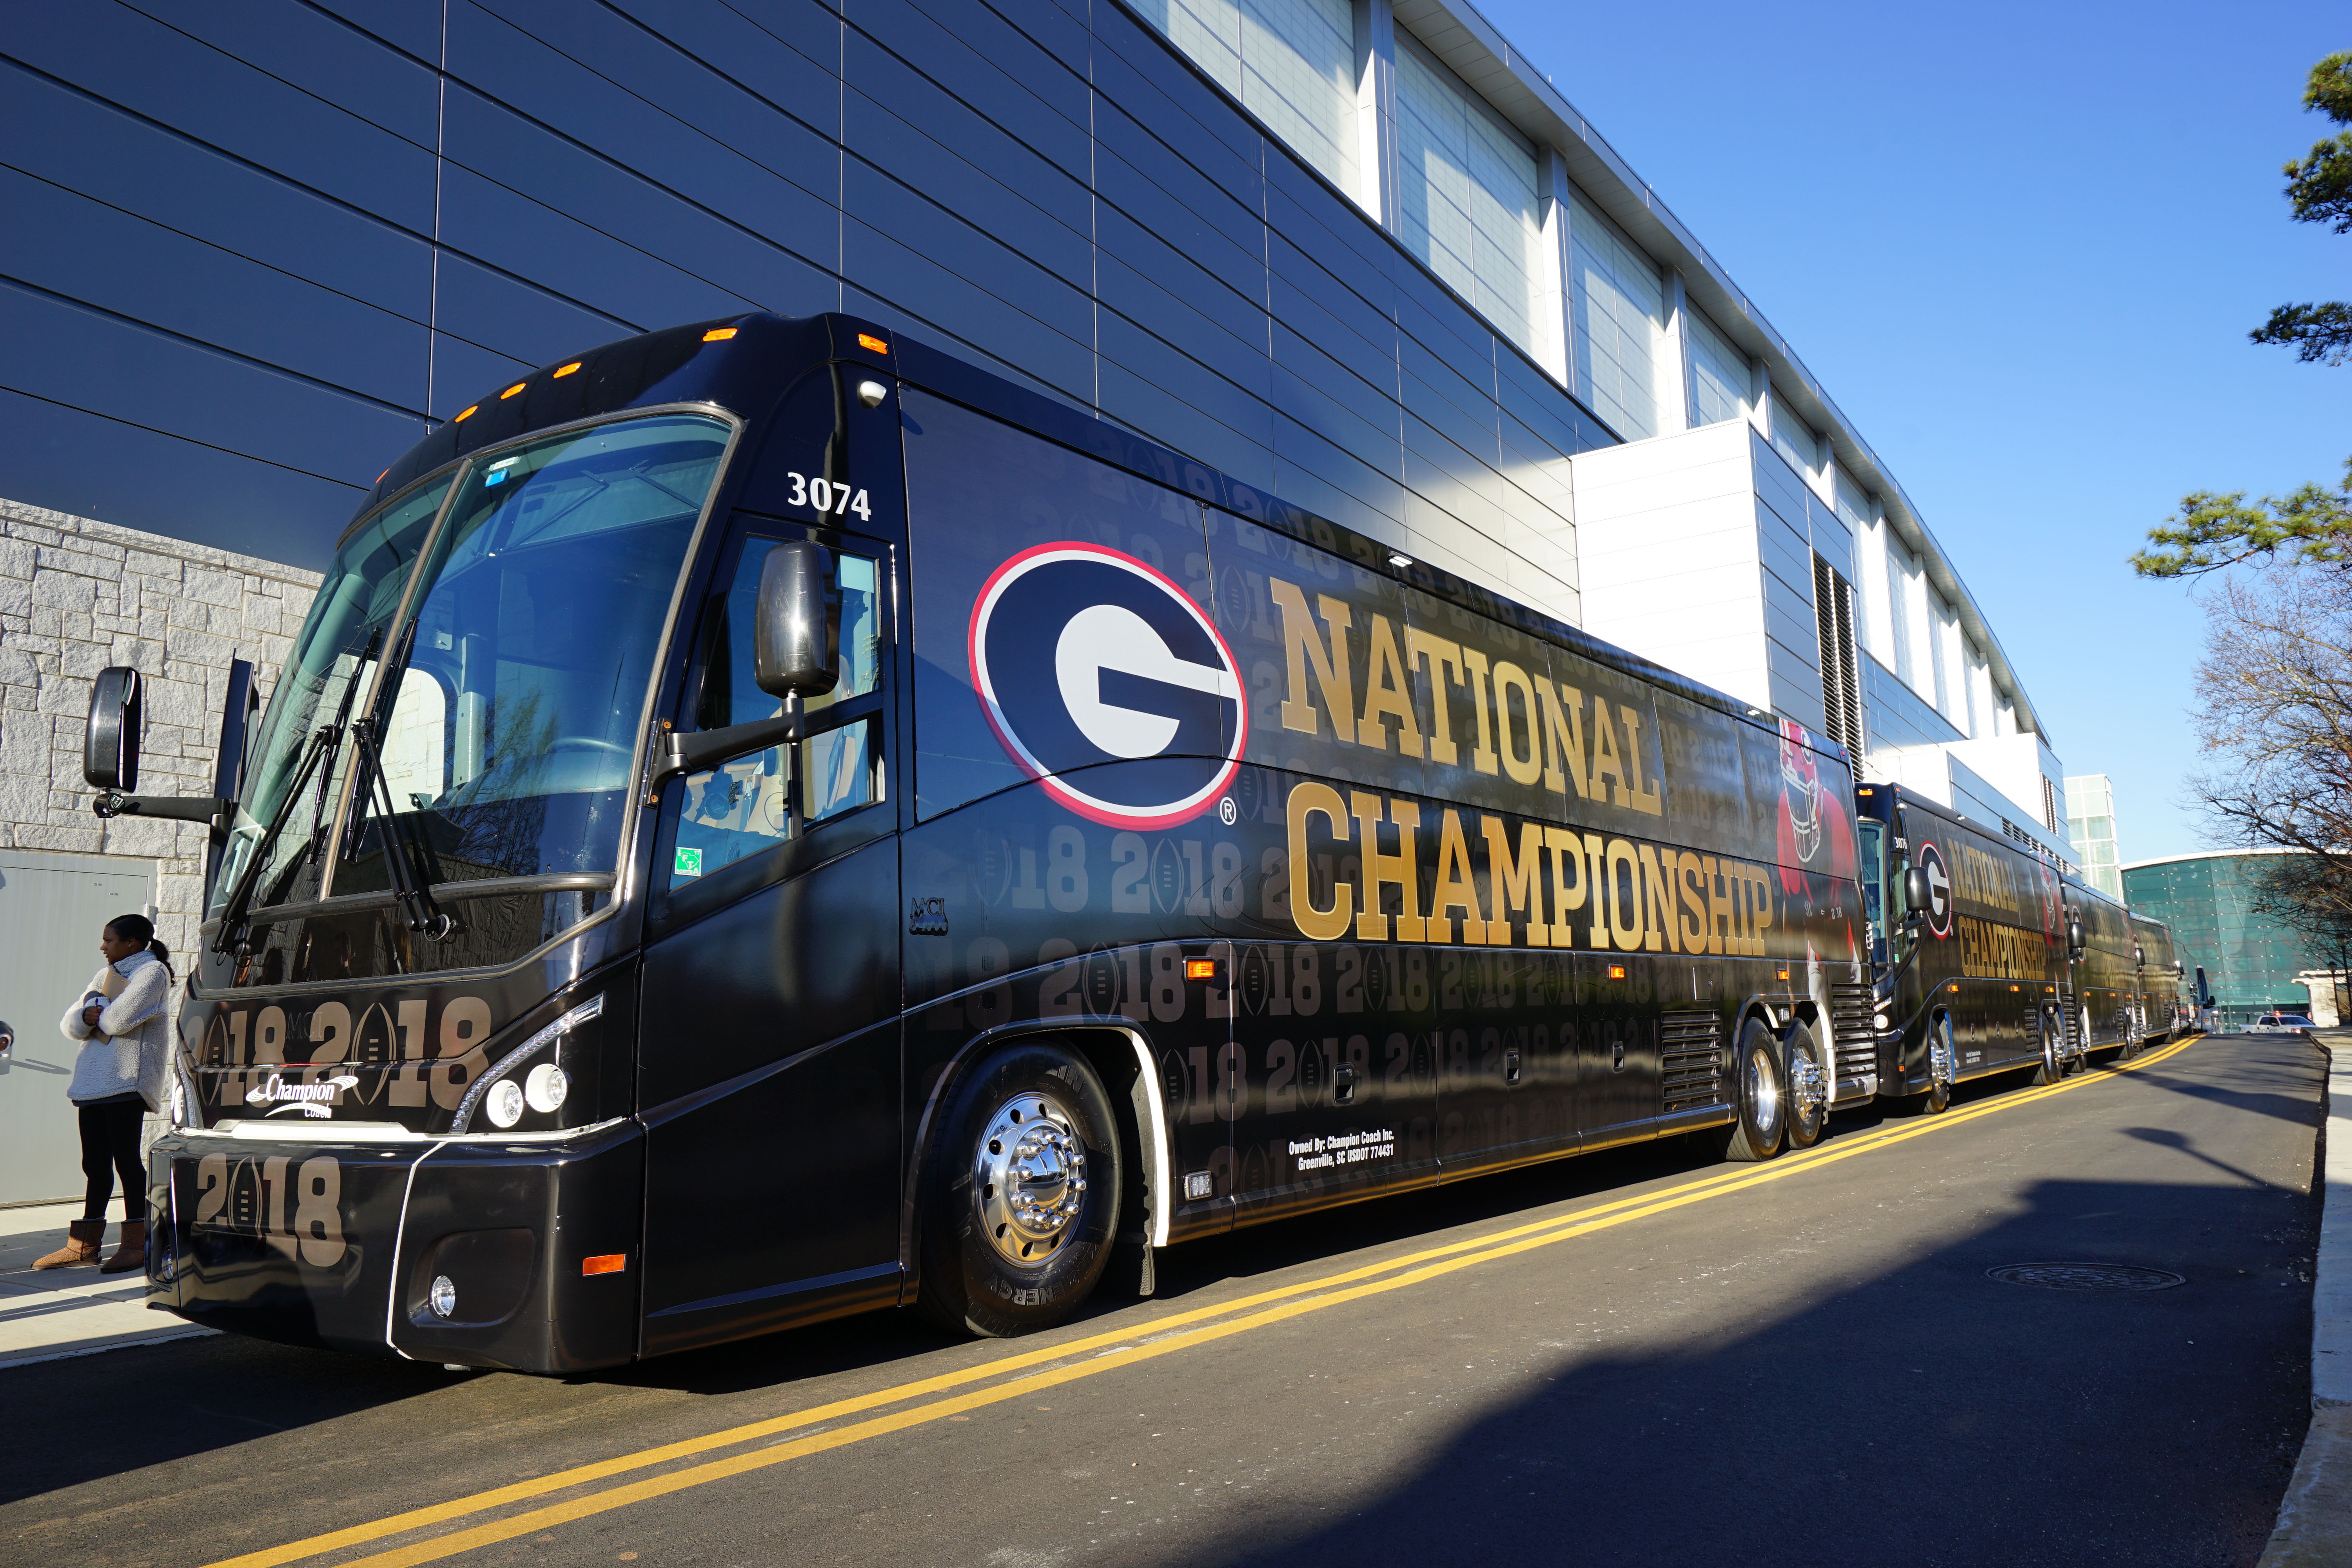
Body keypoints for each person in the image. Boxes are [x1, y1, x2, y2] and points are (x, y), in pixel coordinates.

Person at [34, 914, 174, 1273]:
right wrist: (88, 1014)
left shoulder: (153, 973)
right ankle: (84, 1247)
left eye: (108, 940)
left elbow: (116, 1021)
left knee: (127, 1161)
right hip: (94, 1082)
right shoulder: (104, 975)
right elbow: (71, 1024)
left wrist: (96, 1012)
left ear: (131, 943)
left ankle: (135, 1245)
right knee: (94, 1164)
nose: (102, 946)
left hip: (127, 1081)